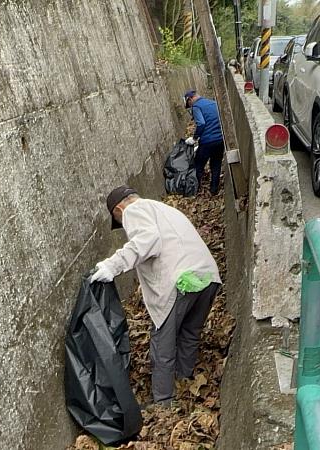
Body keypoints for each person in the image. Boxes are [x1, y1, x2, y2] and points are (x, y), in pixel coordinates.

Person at [89, 185, 221, 408]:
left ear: (119, 210)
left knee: (163, 345)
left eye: (119, 222)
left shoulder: (133, 211)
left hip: (181, 281)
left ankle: (164, 403)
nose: (123, 226)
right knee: (189, 333)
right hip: (208, 276)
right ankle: (184, 382)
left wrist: (113, 265)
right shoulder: (164, 209)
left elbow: (147, 240)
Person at [184, 90, 224, 195]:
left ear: (190, 99)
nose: (190, 106)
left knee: (198, 164)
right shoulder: (213, 103)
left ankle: (194, 189)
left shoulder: (196, 107)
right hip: (220, 140)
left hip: (207, 141)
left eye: (188, 104)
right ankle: (214, 189)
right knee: (216, 164)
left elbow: (201, 123)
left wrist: (194, 138)